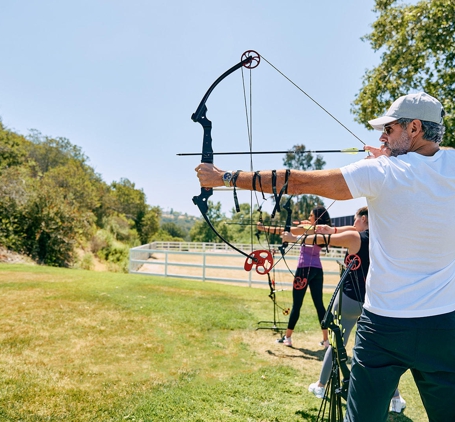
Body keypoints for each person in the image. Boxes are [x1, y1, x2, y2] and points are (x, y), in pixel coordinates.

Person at [195, 92, 455, 422]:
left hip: (384, 329)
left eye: (389, 130)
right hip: (445, 325)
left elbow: (299, 181)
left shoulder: (381, 172)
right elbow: (427, 171)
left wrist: (224, 178)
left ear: (414, 127)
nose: (381, 137)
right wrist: (391, 158)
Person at [282, 207, 405, 413]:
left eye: (356, 219)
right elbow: (334, 231)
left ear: (364, 219)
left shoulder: (355, 237)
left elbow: (320, 239)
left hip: (349, 300)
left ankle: (321, 386)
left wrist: (292, 237)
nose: (354, 222)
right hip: (374, 301)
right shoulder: (385, 238)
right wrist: (321, 228)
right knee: (381, 351)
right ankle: (395, 400)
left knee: (337, 343)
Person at [257, 206, 331, 348]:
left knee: (297, 304)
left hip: (303, 270)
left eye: (311, 216)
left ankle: (288, 338)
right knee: (319, 305)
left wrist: (263, 228)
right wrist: (307, 225)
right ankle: (326, 340)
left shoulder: (307, 229)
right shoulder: (323, 231)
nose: (309, 218)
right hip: (317, 270)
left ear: (316, 218)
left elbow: (284, 230)